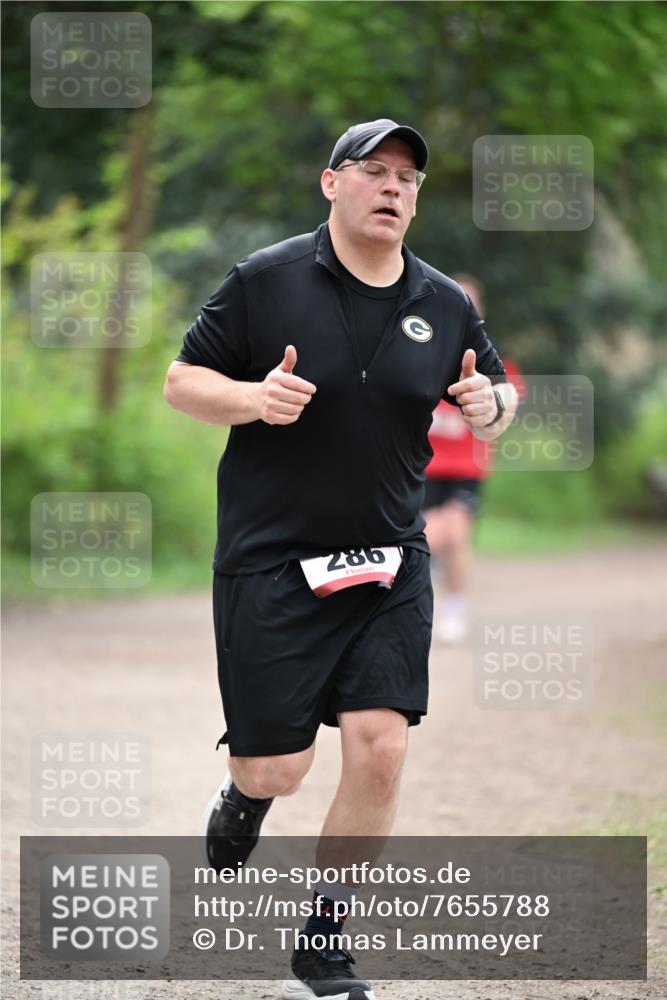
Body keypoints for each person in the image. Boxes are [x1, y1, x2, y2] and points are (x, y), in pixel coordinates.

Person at [164, 118, 518, 1000]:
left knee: (380, 747)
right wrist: (253, 397)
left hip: (390, 558)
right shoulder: (266, 279)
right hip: (272, 559)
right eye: (373, 171)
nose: (393, 188)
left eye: (408, 178)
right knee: (277, 768)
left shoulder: (443, 302)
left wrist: (490, 405)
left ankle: (323, 945)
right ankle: (245, 796)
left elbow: (497, 392)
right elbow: (182, 381)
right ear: (332, 184)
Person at [424, 274, 524, 643]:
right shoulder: (421, 352)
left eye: (471, 301)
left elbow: (509, 404)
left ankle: (454, 610)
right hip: (422, 465)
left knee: (454, 534)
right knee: (425, 537)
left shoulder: (491, 360)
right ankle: (425, 582)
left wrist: (491, 407)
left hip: (466, 468)